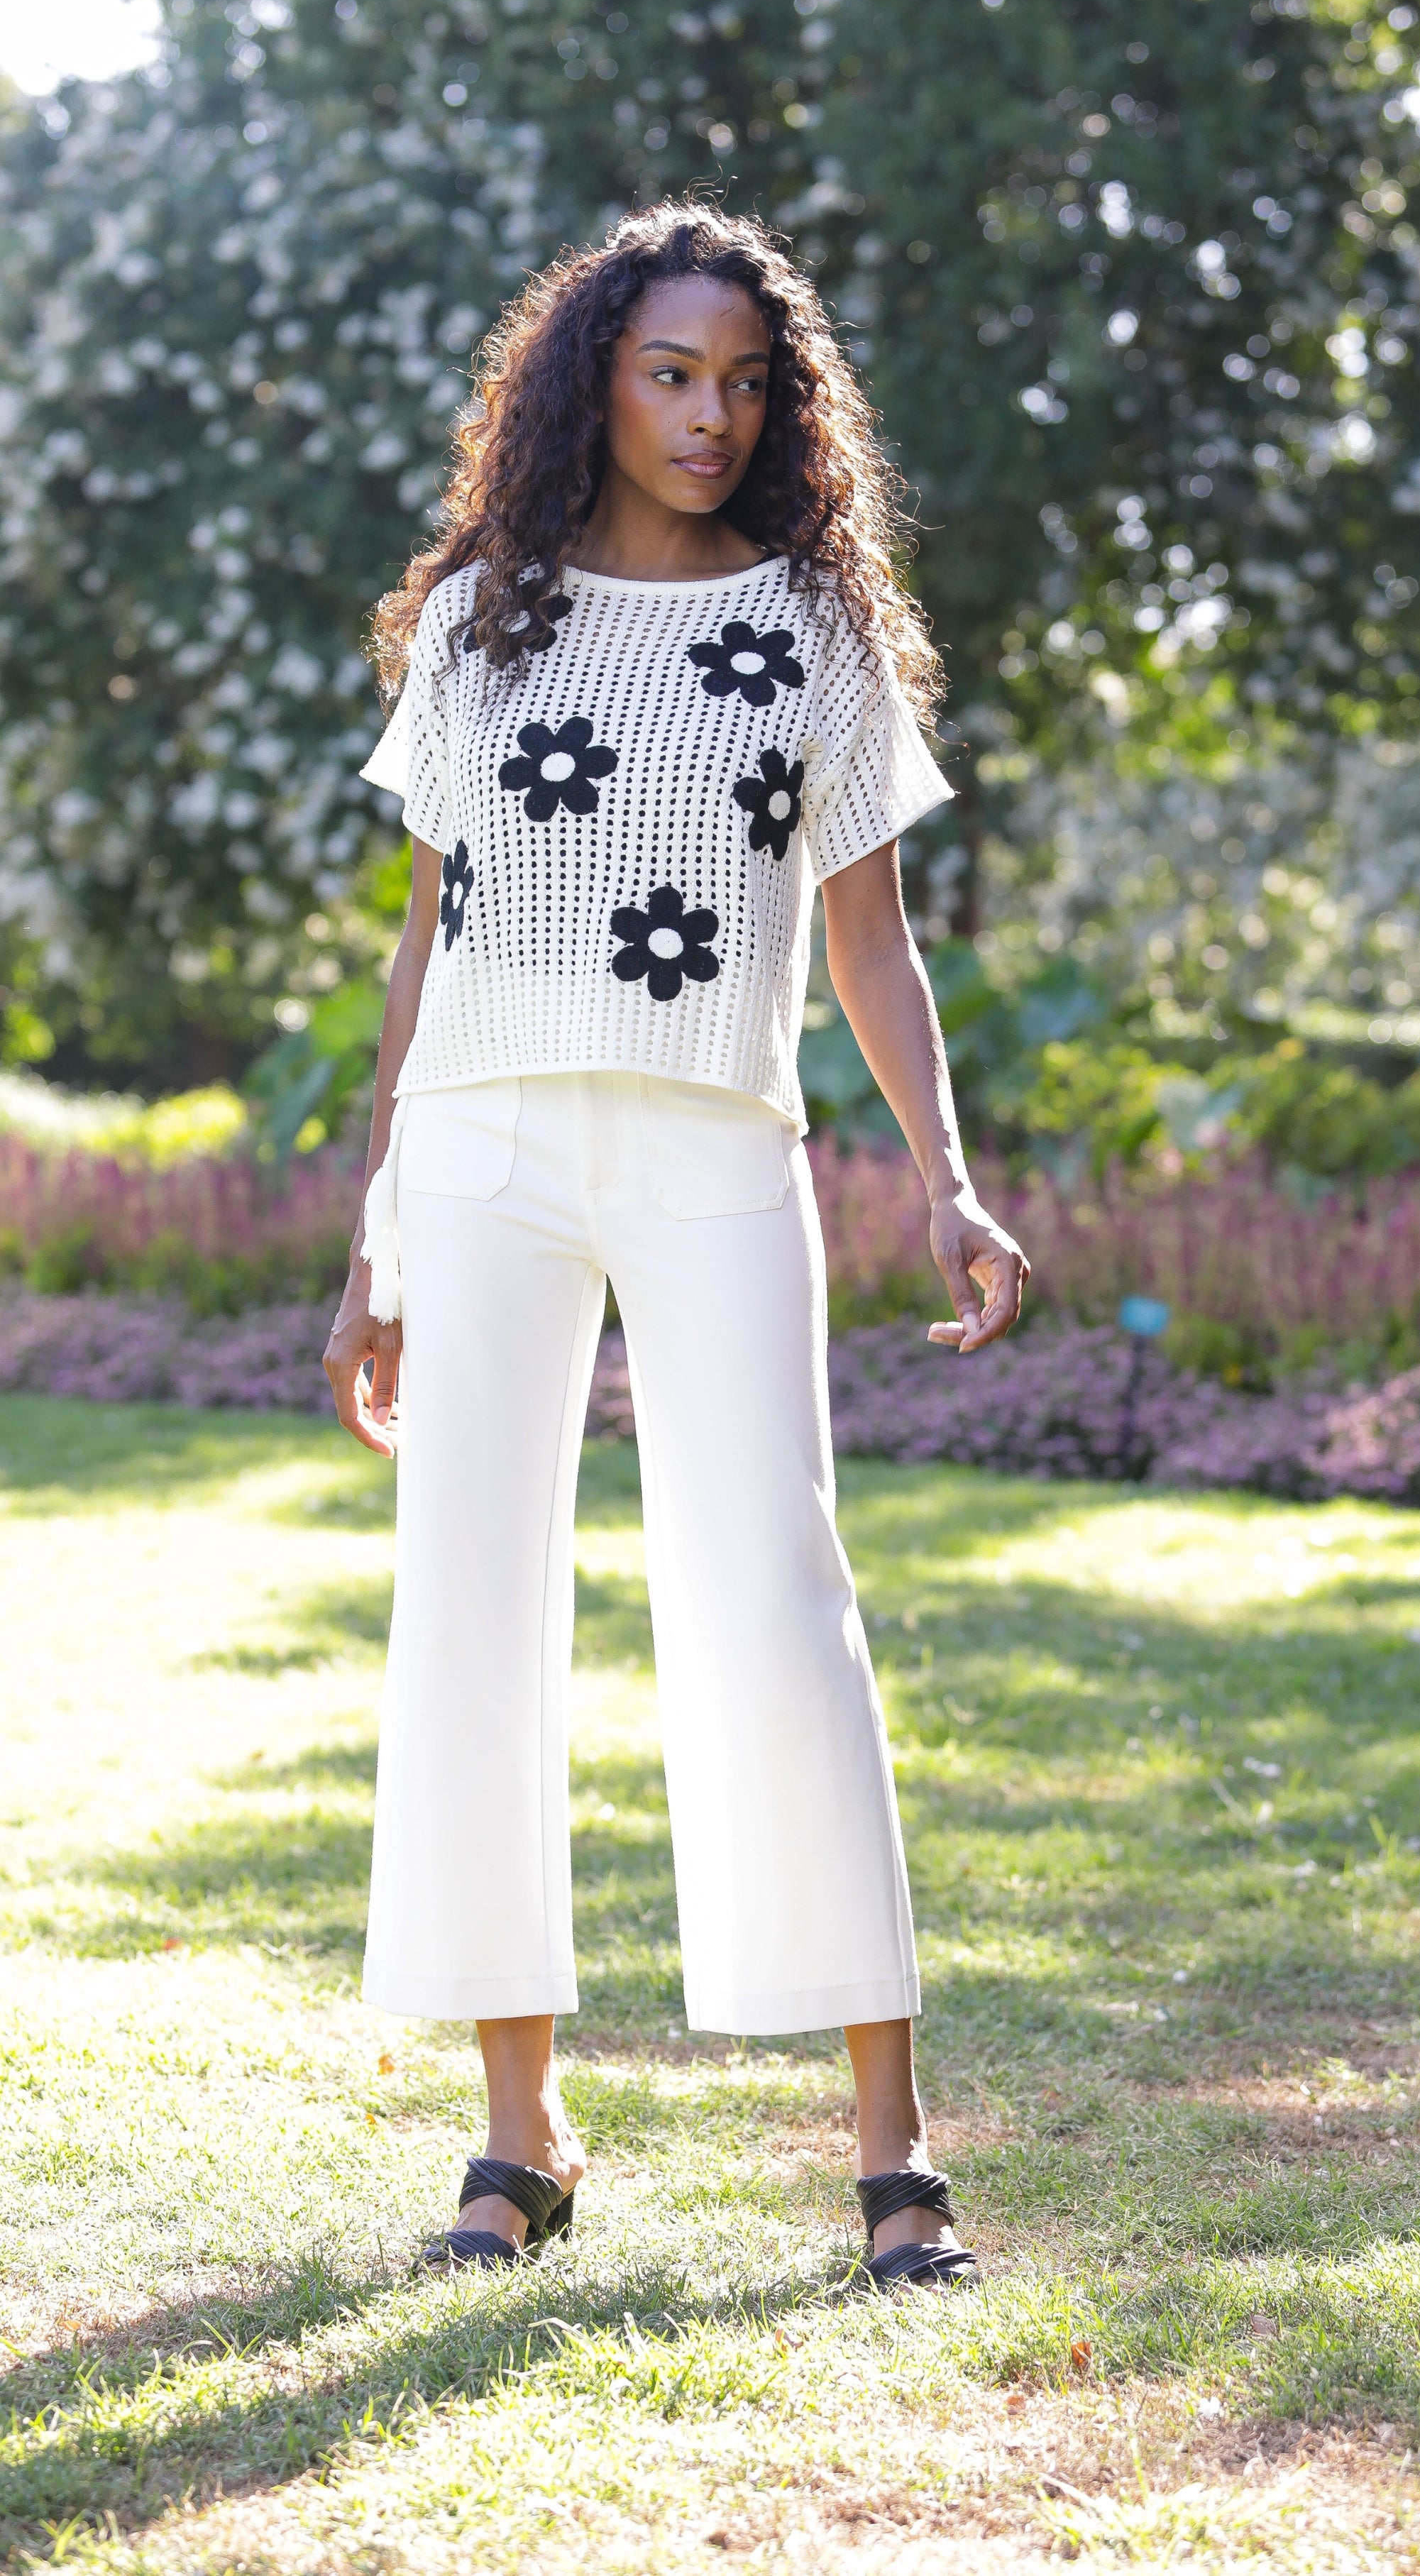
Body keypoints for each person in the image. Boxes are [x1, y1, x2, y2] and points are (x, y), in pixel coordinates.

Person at [324, 202, 1028, 2291]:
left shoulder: (813, 627)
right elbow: (429, 940)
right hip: (483, 1151)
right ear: (595, 382)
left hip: (721, 1147)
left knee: (781, 1604)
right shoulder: (482, 621)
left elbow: (869, 941)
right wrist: (375, 1235)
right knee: (472, 1607)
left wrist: (948, 1175)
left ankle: (895, 2153)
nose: (710, 414)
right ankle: (519, 2137)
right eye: (670, 374)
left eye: (743, 381)